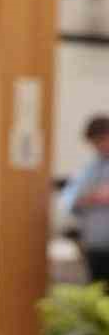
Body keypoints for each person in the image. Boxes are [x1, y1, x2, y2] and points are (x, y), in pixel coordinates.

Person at [62, 114, 109, 283]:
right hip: (95, 243)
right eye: (95, 143)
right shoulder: (91, 168)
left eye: (102, 140)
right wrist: (92, 198)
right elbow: (70, 198)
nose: (100, 146)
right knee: (99, 292)